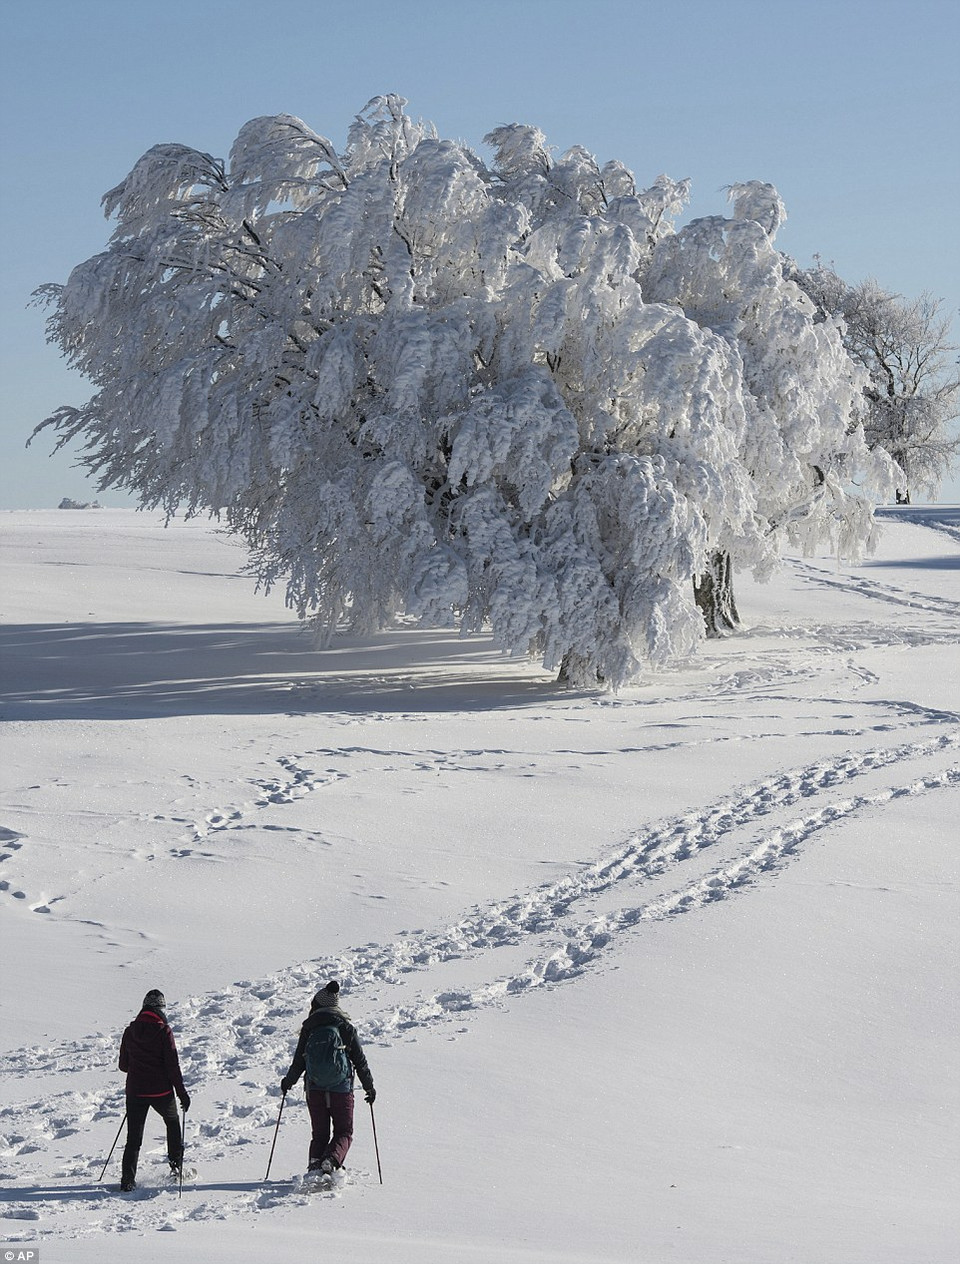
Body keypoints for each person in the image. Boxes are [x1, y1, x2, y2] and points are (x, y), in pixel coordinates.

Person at [280, 980, 375, 1175]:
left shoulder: (309, 1028)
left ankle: (315, 1165)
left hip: (314, 1088)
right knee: (344, 1131)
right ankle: (331, 1160)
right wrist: (369, 1087)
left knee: (320, 1134)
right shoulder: (345, 1027)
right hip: (341, 1088)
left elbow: (299, 1061)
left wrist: (287, 1082)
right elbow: (360, 1061)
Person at [117, 988, 191, 1191]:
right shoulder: (163, 1031)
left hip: (135, 1091)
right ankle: (176, 1168)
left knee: (133, 1138)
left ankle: (127, 1180)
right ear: (161, 1009)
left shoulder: (129, 1031)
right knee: (173, 1123)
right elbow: (172, 1066)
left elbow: (123, 1066)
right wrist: (182, 1093)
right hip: (161, 1092)